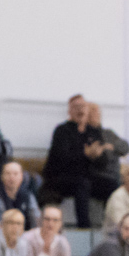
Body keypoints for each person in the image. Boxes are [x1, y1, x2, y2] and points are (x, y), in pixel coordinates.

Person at [40, 95, 114, 227]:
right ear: (69, 111)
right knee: (82, 184)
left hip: (86, 178)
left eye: (83, 106)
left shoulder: (93, 132)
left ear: (87, 110)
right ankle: (84, 228)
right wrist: (85, 154)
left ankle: (110, 226)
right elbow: (62, 159)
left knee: (111, 185)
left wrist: (97, 156)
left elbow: (103, 163)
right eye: (76, 107)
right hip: (60, 179)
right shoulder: (62, 131)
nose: (80, 110)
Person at [0, 159, 41, 230]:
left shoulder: (28, 196)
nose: (11, 177)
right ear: (2, 176)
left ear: (21, 177)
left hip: (24, 234)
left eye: (15, 174)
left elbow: (36, 220)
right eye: (8, 174)